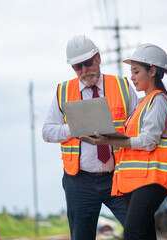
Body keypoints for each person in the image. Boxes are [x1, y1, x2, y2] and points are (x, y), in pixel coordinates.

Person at [80, 43, 167, 240]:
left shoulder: (158, 101)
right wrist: (107, 138)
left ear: (152, 71)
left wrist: (112, 141)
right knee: (144, 234)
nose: (132, 77)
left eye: (136, 71)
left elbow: (149, 141)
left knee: (133, 233)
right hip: (134, 181)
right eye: (131, 72)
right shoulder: (143, 103)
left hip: (150, 180)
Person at [42, 35, 138, 240]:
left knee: (139, 231)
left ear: (98, 58)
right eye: (78, 67)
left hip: (119, 176)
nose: (85, 70)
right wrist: (74, 128)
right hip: (80, 181)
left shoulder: (122, 86)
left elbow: (140, 125)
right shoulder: (63, 91)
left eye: (88, 63)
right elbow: (47, 132)